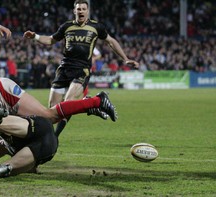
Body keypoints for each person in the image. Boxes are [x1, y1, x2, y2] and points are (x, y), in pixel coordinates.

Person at [23, 0, 139, 136]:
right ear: (74, 11)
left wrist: (125, 59)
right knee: (52, 112)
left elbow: (111, 41)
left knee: (68, 103)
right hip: (64, 69)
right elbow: (50, 40)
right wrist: (35, 36)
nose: (81, 11)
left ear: (87, 11)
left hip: (82, 69)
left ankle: (54, 137)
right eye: (78, 9)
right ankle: (89, 105)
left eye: (83, 9)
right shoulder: (66, 27)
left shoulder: (96, 27)